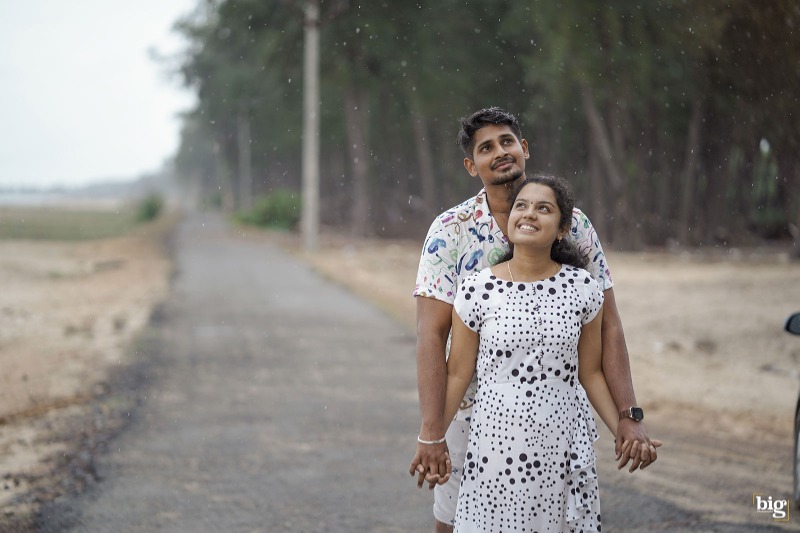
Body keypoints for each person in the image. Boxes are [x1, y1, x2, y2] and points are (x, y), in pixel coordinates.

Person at [409, 107, 659, 532]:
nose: (500, 152)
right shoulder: (450, 230)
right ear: (473, 166)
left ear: (524, 148)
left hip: (558, 416)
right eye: (486, 148)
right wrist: (432, 431)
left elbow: (607, 329)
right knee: (456, 522)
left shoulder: (573, 223)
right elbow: (432, 337)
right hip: (474, 411)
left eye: (507, 141)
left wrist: (627, 415)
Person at [435, 173, 619, 531]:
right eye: (522, 206)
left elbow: (591, 373)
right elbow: (457, 374)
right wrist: (432, 437)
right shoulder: (477, 290)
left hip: (560, 443)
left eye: (543, 208)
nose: (529, 214)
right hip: (494, 444)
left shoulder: (583, 288)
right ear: (510, 223)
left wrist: (622, 427)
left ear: (563, 227)